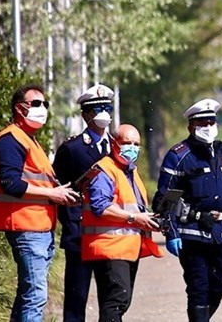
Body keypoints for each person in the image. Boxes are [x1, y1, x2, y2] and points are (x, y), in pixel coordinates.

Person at [0, 83, 80, 322]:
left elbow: (37, 184)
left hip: (39, 227)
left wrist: (58, 193)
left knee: (28, 294)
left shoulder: (30, 141)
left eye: (45, 104)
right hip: (26, 228)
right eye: (36, 103)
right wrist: (52, 195)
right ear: (19, 108)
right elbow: (11, 183)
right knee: (35, 296)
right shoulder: (10, 140)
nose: (42, 108)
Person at [153, 98, 222, 322]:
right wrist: (171, 232)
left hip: (221, 232)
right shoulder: (179, 155)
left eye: (211, 122)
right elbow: (165, 198)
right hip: (192, 232)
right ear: (191, 126)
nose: (208, 127)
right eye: (202, 123)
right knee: (198, 288)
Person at [81, 124, 163, 321]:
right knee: (116, 302)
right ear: (113, 143)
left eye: (136, 144)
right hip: (109, 248)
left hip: (125, 249)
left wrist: (149, 219)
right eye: (127, 143)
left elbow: (133, 207)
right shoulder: (104, 170)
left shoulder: (129, 171)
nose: (132, 148)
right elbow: (101, 206)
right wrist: (135, 218)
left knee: (119, 301)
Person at [52, 83, 115, 322]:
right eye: (97, 108)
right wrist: (70, 223)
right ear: (85, 114)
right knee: (76, 298)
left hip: (109, 232)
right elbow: (59, 189)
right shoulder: (72, 148)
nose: (104, 113)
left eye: (107, 108)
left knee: (111, 298)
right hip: (80, 233)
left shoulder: (117, 146)